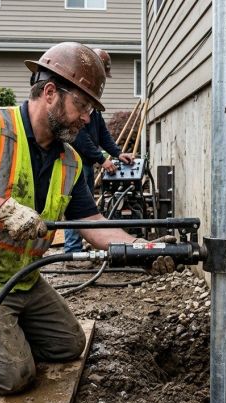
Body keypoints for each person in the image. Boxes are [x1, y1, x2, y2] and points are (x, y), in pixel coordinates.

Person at [0, 42, 174, 395]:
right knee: (11, 375)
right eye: (82, 106)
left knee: (68, 345)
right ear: (50, 92)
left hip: (18, 278)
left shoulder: (70, 161)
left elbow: (92, 222)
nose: (87, 119)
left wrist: (141, 248)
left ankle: (0, 329)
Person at [63, 48, 134, 257]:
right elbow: (80, 138)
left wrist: (118, 153)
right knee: (76, 208)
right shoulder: (76, 99)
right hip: (75, 160)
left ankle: (78, 247)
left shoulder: (92, 106)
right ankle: (72, 252)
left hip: (86, 162)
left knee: (85, 207)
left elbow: (102, 133)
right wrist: (102, 159)